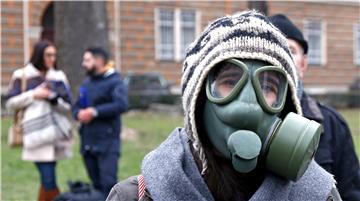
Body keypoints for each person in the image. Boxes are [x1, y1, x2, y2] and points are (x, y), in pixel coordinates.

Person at [107, 11, 341, 201]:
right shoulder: (136, 196)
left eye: (268, 87)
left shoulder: (319, 195)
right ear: (197, 100)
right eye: (230, 81)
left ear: (286, 107)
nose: (249, 106)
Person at [270, 14, 360, 200]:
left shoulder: (333, 125)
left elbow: (351, 192)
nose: (282, 56)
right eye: (274, 49)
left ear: (303, 64)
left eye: (290, 50)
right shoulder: (233, 122)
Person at [6, 41, 73, 201]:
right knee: (49, 179)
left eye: (54, 55)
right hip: (35, 134)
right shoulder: (22, 75)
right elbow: (10, 103)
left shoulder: (58, 76)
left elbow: (69, 106)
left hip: (57, 134)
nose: (52, 58)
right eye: (48, 55)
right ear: (39, 55)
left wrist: (53, 99)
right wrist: (33, 94)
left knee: (47, 180)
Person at [72, 47, 128, 198]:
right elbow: (76, 106)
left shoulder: (115, 81)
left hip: (107, 143)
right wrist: (79, 113)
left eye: (87, 60)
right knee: (96, 185)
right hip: (88, 142)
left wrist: (94, 112)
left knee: (108, 185)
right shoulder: (86, 84)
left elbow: (121, 104)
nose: (83, 64)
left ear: (99, 61)